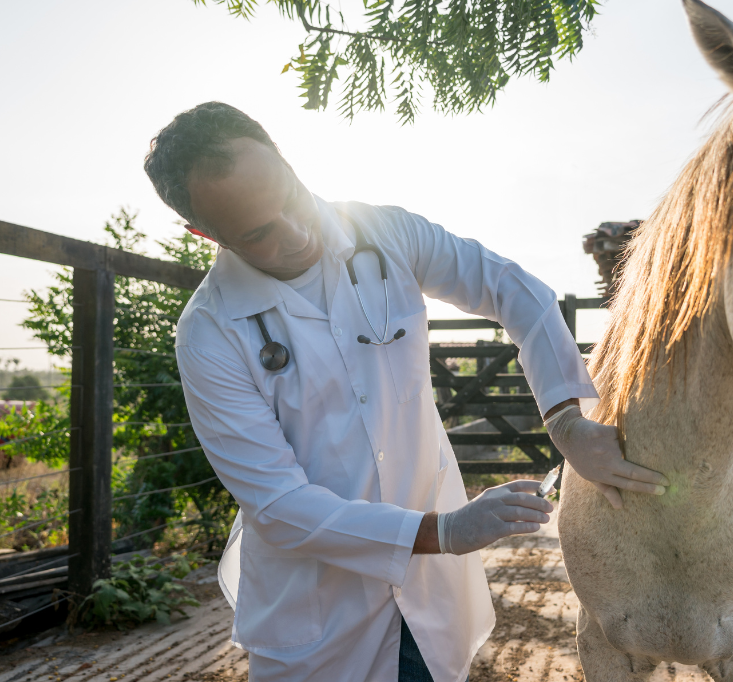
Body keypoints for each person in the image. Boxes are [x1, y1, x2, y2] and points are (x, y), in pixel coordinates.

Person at [144, 102, 669, 682]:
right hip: (318, 625)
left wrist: (567, 421)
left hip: (428, 603)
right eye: (259, 234)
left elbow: (513, 290)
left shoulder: (383, 232)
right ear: (205, 234)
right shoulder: (208, 334)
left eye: (291, 197)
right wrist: (442, 531)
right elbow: (278, 507)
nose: (296, 234)